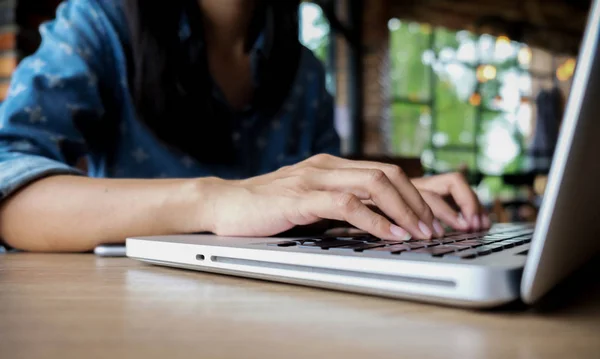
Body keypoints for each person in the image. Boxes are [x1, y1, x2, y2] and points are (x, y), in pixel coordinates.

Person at [0, 0, 489, 253]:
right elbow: (8, 184)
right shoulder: (99, 23)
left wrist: (380, 199)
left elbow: (320, 209)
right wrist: (216, 199)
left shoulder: (303, 72)